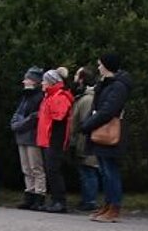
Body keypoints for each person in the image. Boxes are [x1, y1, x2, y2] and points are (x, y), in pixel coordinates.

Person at [83, 54, 130, 223]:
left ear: (107, 65)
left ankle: (114, 206)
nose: (98, 67)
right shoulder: (105, 84)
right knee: (104, 171)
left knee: (111, 171)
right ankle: (108, 203)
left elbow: (108, 110)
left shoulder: (118, 86)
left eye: (100, 64)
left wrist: (88, 124)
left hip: (110, 131)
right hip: (100, 129)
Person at [37, 68, 73, 213]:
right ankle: (55, 200)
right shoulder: (49, 96)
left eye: (45, 81)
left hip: (54, 140)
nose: (42, 83)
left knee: (54, 171)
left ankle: (60, 201)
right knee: (51, 171)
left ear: (51, 82)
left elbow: (59, 120)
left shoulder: (59, 96)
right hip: (48, 139)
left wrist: (53, 141)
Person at [10, 67, 46, 211]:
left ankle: (39, 195)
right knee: (26, 167)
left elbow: (35, 117)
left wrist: (19, 124)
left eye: (28, 79)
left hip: (32, 135)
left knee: (36, 167)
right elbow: (18, 113)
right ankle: (29, 192)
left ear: (35, 81)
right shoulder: (25, 96)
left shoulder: (40, 97)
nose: (24, 81)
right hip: (22, 135)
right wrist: (17, 123)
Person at [69, 68, 101, 212]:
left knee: (89, 170)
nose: (74, 78)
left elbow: (84, 121)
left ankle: (90, 201)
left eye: (76, 75)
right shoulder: (83, 97)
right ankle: (86, 199)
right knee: (85, 171)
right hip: (83, 140)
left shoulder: (88, 99)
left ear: (82, 79)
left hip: (87, 140)